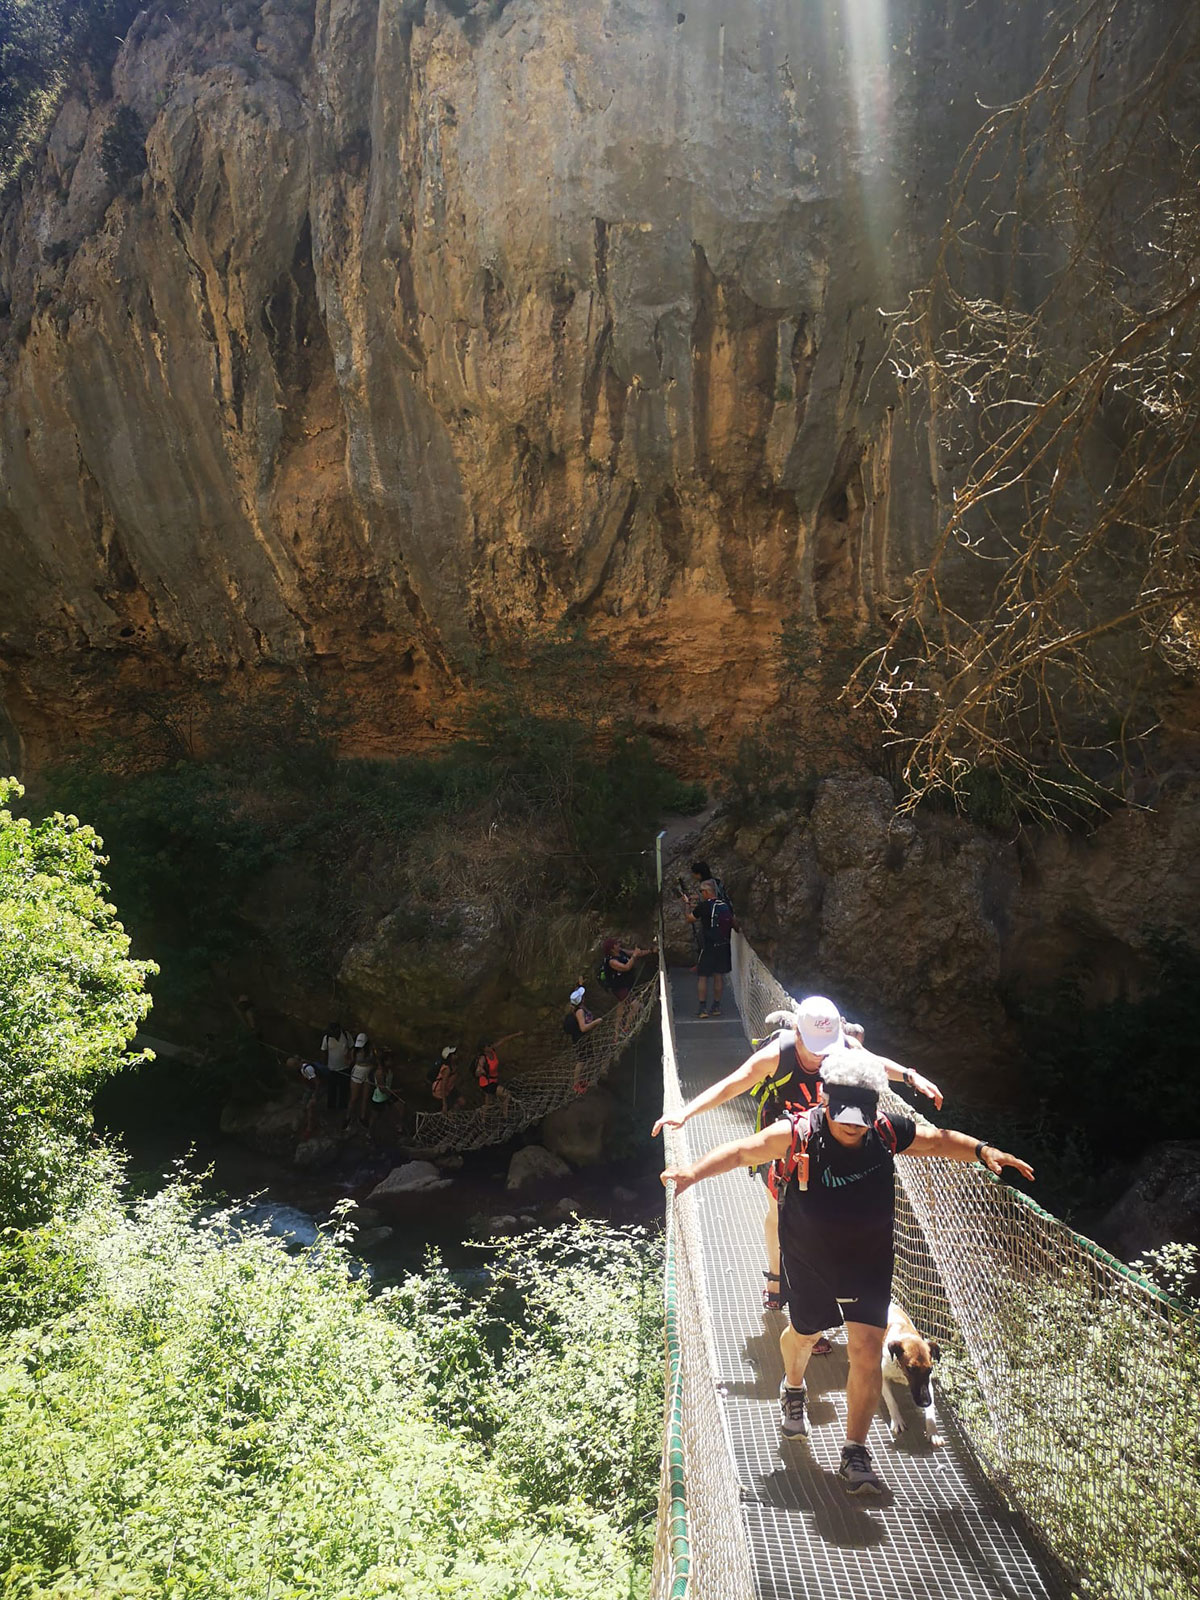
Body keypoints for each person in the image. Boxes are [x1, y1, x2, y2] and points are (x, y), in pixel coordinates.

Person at [661, 1047, 1033, 1496]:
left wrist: (982, 1150)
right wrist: (689, 1176)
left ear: (875, 1110)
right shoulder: (799, 1132)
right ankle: (794, 1387)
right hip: (809, 1258)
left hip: (869, 1260)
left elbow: (935, 1140)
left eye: (861, 1116)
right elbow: (743, 1152)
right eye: (843, 1115)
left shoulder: (885, 1132)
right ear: (824, 1100)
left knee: (865, 1348)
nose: (853, 1125)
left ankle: (854, 1452)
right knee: (803, 1334)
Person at [652, 995, 943, 1314]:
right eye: (815, 1046)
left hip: (821, 1135)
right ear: (798, 1033)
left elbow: (873, 1063)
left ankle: (812, 1298)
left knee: (816, 1216)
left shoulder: (842, 1047)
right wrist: (685, 1113)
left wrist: (912, 1077)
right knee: (780, 1211)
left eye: (827, 1046)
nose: (821, 1056)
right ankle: (778, 1279)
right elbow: (732, 1085)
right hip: (781, 1135)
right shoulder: (777, 1056)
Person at [682, 880, 734, 1017]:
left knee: (703, 976)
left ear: (706, 892)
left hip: (709, 946)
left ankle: (703, 1008)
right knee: (718, 976)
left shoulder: (704, 906)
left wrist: (687, 904)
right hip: (723, 946)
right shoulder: (725, 905)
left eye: (701, 891)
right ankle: (716, 1006)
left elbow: (689, 919)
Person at [563, 984, 601, 1093]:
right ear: (581, 1000)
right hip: (580, 1038)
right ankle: (575, 1084)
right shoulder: (579, 1011)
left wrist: (580, 984)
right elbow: (583, 1028)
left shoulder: (576, 1007)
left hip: (581, 1038)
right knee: (581, 1060)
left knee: (588, 1057)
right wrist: (596, 1022)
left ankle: (581, 1080)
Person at [475, 1032, 521, 1111]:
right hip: (487, 1083)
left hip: (493, 1081)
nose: (491, 1046)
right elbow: (478, 1069)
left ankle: (482, 1118)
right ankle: (505, 1117)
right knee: (506, 1095)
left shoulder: (492, 1051)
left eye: (491, 1044)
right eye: (489, 1045)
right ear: (483, 1048)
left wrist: (517, 1034)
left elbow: (503, 1040)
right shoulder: (483, 1058)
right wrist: (480, 1071)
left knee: (489, 1104)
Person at [321, 1021, 353, 1112]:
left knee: (344, 1089)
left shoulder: (346, 1036)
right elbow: (324, 1051)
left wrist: (350, 1059)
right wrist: (324, 1065)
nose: (332, 1034)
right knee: (331, 1089)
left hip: (345, 1068)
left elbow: (351, 1048)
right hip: (332, 1068)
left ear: (338, 1030)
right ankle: (331, 1107)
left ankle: (342, 1106)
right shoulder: (327, 1038)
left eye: (333, 1032)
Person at [347, 1031, 374, 1126]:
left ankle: (362, 1117)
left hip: (368, 1073)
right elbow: (351, 1061)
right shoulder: (354, 1051)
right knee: (354, 1097)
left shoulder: (372, 1050)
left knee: (365, 1098)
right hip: (358, 1073)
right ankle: (348, 1116)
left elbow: (376, 1061)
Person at [430, 1046, 459, 1114]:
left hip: (449, 1088)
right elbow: (443, 1085)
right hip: (440, 1091)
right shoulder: (447, 1069)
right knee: (451, 1107)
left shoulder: (454, 1066)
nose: (456, 1055)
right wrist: (444, 1103)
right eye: (454, 1054)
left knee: (461, 1102)